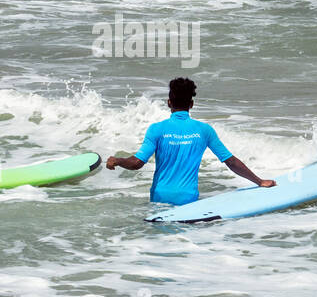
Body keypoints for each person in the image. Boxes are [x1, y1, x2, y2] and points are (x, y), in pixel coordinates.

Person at [106, 77, 274, 205]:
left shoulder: (156, 129)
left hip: (159, 199)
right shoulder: (204, 130)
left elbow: (136, 163)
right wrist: (259, 181)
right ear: (191, 104)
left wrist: (118, 160)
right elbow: (230, 161)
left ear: (169, 103)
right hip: (188, 201)